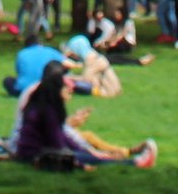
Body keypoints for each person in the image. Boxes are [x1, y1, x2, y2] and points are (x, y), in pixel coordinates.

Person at [9, 60, 156, 168]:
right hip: (36, 155)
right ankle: (133, 162)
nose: (70, 89)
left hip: (36, 152)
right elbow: (58, 142)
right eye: (66, 87)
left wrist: (91, 153)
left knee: (86, 149)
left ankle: (124, 157)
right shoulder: (46, 109)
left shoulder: (40, 101)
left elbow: (62, 136)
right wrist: (83, 160)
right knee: (83, 155)